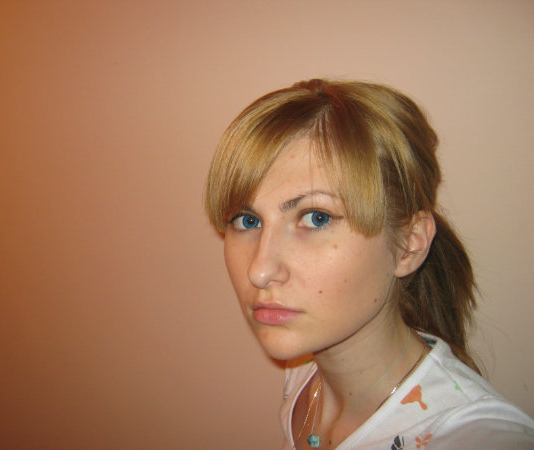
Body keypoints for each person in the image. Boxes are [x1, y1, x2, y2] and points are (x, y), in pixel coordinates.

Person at [204, 79, 534, 449]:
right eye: (247, 220)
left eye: (316, 218)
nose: (260, 271)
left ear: (408, 245)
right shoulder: (304, 375)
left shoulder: (477, 437)